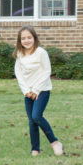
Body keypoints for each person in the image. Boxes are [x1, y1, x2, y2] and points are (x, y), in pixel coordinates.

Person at [14, 26, 63, 157]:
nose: (26, 40)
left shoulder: (41, 52)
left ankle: (55, 142)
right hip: (28, 92)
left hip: (42, 90)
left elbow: (47, 71)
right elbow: (18, 73)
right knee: (31, 121)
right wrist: (26, 91)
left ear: (34, 38)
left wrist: (36, 89)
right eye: (23, 38)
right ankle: (35, 149)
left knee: (36, 116)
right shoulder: (20, 54)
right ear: (20, 41)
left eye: (29, 37)